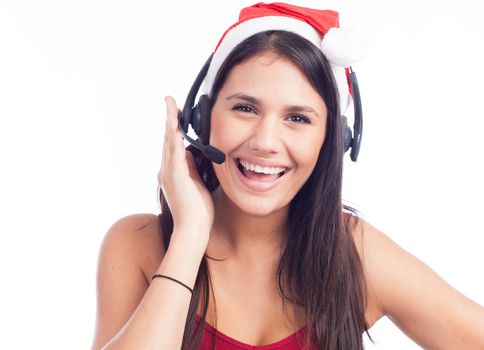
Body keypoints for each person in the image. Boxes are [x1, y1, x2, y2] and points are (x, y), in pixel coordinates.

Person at [91, 2, 484, 349]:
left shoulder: (357, 256)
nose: (265, 141)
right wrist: (190, 235)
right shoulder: (138, 246)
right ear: (200, 117)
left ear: (332, 139)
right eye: (244, 108)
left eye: (297, 118)